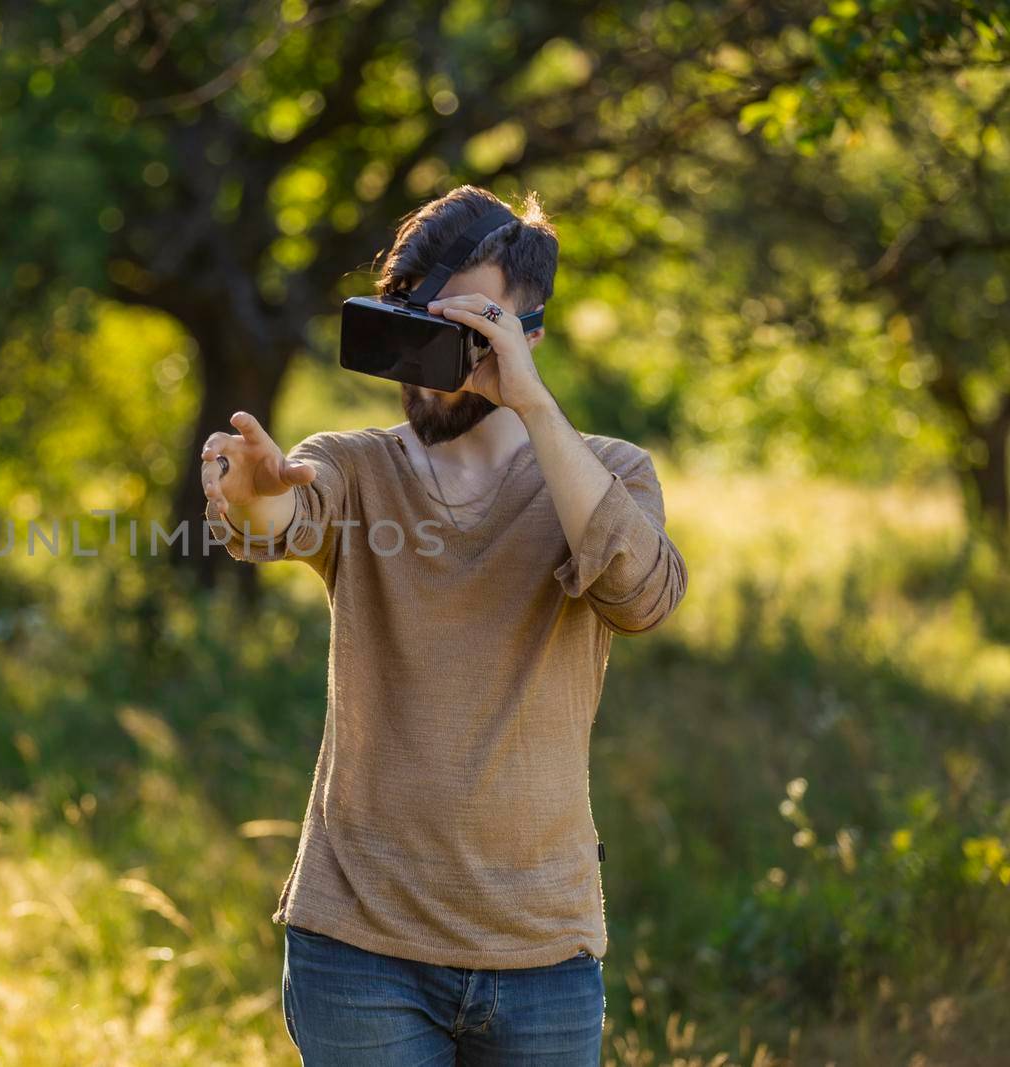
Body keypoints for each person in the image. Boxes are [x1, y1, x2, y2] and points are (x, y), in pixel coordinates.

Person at [199, 185, 689, 1066]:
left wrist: (533, 406)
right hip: (358, 947)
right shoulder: (353, 466)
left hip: (542, 950)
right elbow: (281, 520)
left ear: (526, 333)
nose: (427, 364)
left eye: (461, 331)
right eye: (410, 323)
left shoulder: (609, 475)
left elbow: (640, 597)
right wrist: (252, 496)